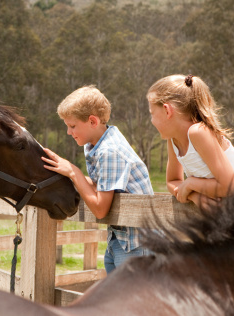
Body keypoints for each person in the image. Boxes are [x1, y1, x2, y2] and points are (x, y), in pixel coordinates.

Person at [42, 85, 154, 274]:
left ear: (92, 121)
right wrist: (66, 173)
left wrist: (74, 172)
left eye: (72, 126)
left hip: (137, 244)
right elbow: (104, 185)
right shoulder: (98, 143)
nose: (69, 132)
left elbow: (101, 209)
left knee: (132, 303)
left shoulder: (109, 151)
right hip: (120, 238)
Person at [147, 74, 234, 206]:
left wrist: (191, 183)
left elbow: (229, 187)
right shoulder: (173, 139)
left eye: (152, 113)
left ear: (167, 110)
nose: (151, 121)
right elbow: (172, 181)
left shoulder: (198, 132)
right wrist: (194, 195)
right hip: (224, 216)